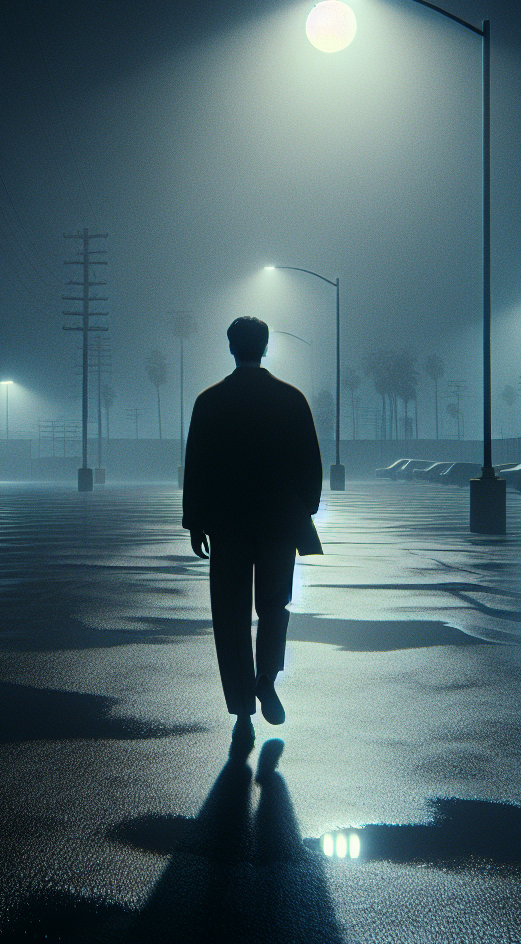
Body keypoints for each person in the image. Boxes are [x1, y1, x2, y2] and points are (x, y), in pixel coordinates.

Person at [182, 316, 323, 748]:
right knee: (274, 606)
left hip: (228, 525)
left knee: (230, 613)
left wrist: (195, 521)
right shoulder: (291, 399)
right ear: (265, 348)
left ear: (231, 348)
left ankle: (242, 703)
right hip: (279, 523)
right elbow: (310, 468)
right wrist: (302, 511)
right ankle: (267, 678)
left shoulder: (210, 402)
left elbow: (197, 467)